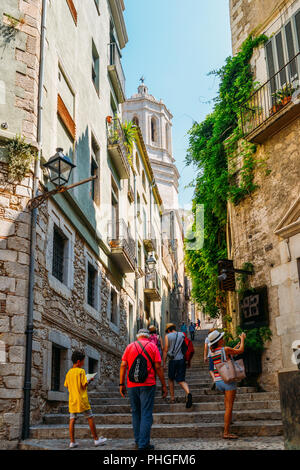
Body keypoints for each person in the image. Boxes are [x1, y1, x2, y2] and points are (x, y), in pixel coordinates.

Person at [119, 329, 168, 450]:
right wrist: (164, 385)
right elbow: (158, 367)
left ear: (137, 336)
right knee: (146, 413)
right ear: (148, 337)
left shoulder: (129, 346)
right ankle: (143, 444)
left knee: (136, 412)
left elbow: (123, 365)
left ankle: (138, 440)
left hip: (131, 384)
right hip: (148, 383)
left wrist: (121, 384)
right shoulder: (152, 346)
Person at [64, 350, 107, 448]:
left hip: (72, 400)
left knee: (72, 419)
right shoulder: (81, 371)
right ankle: (96, 440)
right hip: (82, 400)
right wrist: (89, 379)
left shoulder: (69, 373)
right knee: (90, 417)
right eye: (83, 361)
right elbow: (84, 385)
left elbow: (66, 385)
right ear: (79, 361)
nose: (83, 363)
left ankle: (72, 441)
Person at [208, 329, 246, 440]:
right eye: (221, 338)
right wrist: (242, 339)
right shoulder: (225, 349)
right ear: (219, 340)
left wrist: (237, 345)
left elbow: (232, 352)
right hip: (228, 380)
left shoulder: (213, 352)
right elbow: (241, 351)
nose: (223, 339)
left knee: (227, 404)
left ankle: (228, 421)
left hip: (219, 381)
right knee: (229, 407)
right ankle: (226, 432)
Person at [163, 323, 192, 407]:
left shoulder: (168, 336)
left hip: (172, 360)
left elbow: (165, 349)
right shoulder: (182, 335)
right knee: (181, 380)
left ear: (168, 330)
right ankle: (188, 393)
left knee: (171, 379)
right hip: (182, 359)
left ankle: (172, 398)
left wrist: (164, 362)